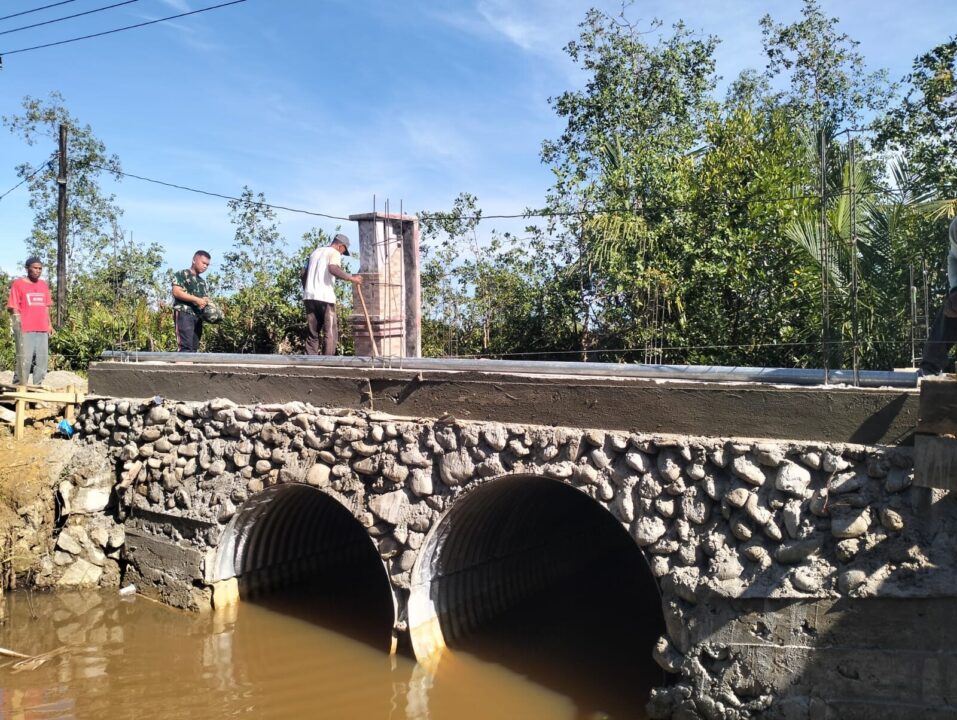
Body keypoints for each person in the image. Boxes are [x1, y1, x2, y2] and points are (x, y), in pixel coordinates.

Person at [302, 233, 363, 355]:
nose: (341, 254)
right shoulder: (334, 253)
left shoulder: (315, 252)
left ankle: (310, 362)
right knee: (330, 332)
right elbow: (333, 269)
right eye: (343, 251)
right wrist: (351, 278)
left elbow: (303, 273)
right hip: (325, 297)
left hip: (309, 296)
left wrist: (307, 289)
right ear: (341, 246)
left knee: (313, 333)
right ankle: (327, 362)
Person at [919, 216, 957, 376]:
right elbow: (953, 258)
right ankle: (930, 367)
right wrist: (955, 290)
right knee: (951, 308)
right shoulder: (955, 227)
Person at [7, 256, 53, 387]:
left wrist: (49, 324)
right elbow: (13, 307)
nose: (38, 271)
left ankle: (37, 388)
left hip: (42, 328)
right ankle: (18, 389)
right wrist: (17, 326)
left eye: (40, 269)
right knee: (24, 361)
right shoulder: (18, 284)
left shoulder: (43, 285)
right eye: (35, 268)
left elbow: (46, 306)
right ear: (27, 268)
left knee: (42, 361)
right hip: (25, 329)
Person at [172, 250, 211, 353]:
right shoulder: (182, 274)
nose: (205, 266)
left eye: (207, 264)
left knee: (194, 348)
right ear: (194, 260)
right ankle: (182, 367)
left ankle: (190, 367)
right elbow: (176, 292)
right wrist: (196, 299)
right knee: (185, 347)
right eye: (203, 263)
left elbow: (204, 298)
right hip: (184, 313)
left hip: (197, 316)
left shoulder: (202, 281)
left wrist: (206, 302)